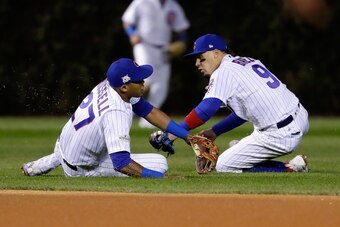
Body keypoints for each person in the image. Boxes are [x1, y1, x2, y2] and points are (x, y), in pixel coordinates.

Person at [21, 58, 190, 178]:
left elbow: (149, 111)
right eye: (139, 80)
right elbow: (121, 163)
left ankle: (46, 163)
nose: (143, 82)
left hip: (63, 144)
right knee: (160, 164)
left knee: (88, 143)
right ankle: (65, 166)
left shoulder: (109, 84)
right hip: (82, 168)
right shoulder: (116, 111)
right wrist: (161, 179)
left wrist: (187, 136)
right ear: (124, 87)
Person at [165, 34, 310, 173]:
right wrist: (215, 131)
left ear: (216, 53)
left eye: (201, 58)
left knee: (224, 165)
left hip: (280, 134)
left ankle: (292, 166)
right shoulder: (245, 61)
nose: (197, 63)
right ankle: (243, 151)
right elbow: (243, 114)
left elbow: (206, 109)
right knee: (237, 151)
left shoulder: (223, 71)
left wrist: (174, 133)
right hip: (299, 116)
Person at [122, 0, 190, 128]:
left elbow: (182, 29)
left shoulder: (172, 5)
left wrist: (182, 42)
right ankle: (126, 111)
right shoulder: (141, 2)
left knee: (161, 87)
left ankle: (148, 120)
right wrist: (132, 34)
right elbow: (127, 20)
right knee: (146, 80)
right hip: (144, 45)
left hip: (165, 50)